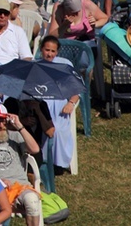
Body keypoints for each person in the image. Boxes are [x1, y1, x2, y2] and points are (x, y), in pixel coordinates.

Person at [0, 104, 41, 226]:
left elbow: (35, 149)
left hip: (19, 187)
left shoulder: (15, 136)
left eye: (3, 121)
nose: (1, 126)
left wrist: (20, 126)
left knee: (32, 200)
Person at [38, 36, 81, 172]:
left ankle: (57, 163)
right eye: (47, 50)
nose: (49, 54)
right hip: (41, 102)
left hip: (60, 103)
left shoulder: (64, 65)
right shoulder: (36, 65)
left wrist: (71, 103)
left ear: (57, 52)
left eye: (52, 51)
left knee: (59, 130)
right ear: (41, 50)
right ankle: (40, 159)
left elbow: (76, 88)